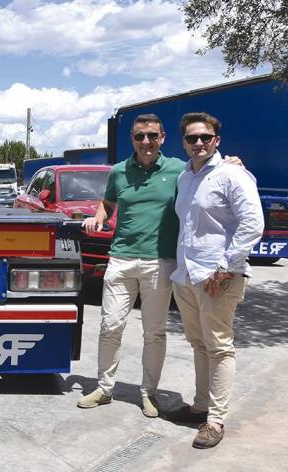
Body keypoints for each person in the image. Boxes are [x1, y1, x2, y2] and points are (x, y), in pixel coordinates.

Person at [76, 114, 186, 417]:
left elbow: (207, 174)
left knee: (154, 333)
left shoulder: (179, 169)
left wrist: (231, 164)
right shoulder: (119, 171)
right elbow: (108, 203)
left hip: (159, 262)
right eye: (140, 136)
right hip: (121, 259)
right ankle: (104, 388)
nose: (146, 142)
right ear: (132, 139)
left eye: (152, 135)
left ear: (162, 137)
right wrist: (99, 218)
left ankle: (148, 393)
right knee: (110, 326)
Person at [167, 112, 263, 449]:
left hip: (217, 277)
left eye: (204, 138)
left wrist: (225, 267)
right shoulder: (184, 177)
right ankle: (200, 406)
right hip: (187, 274)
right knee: (199, 344)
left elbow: (253, 224)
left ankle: (216, 420)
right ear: (184, 142)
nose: (198, 143)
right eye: (191, 138)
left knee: (220, 347)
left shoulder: (232, 175)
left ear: (216, 140)